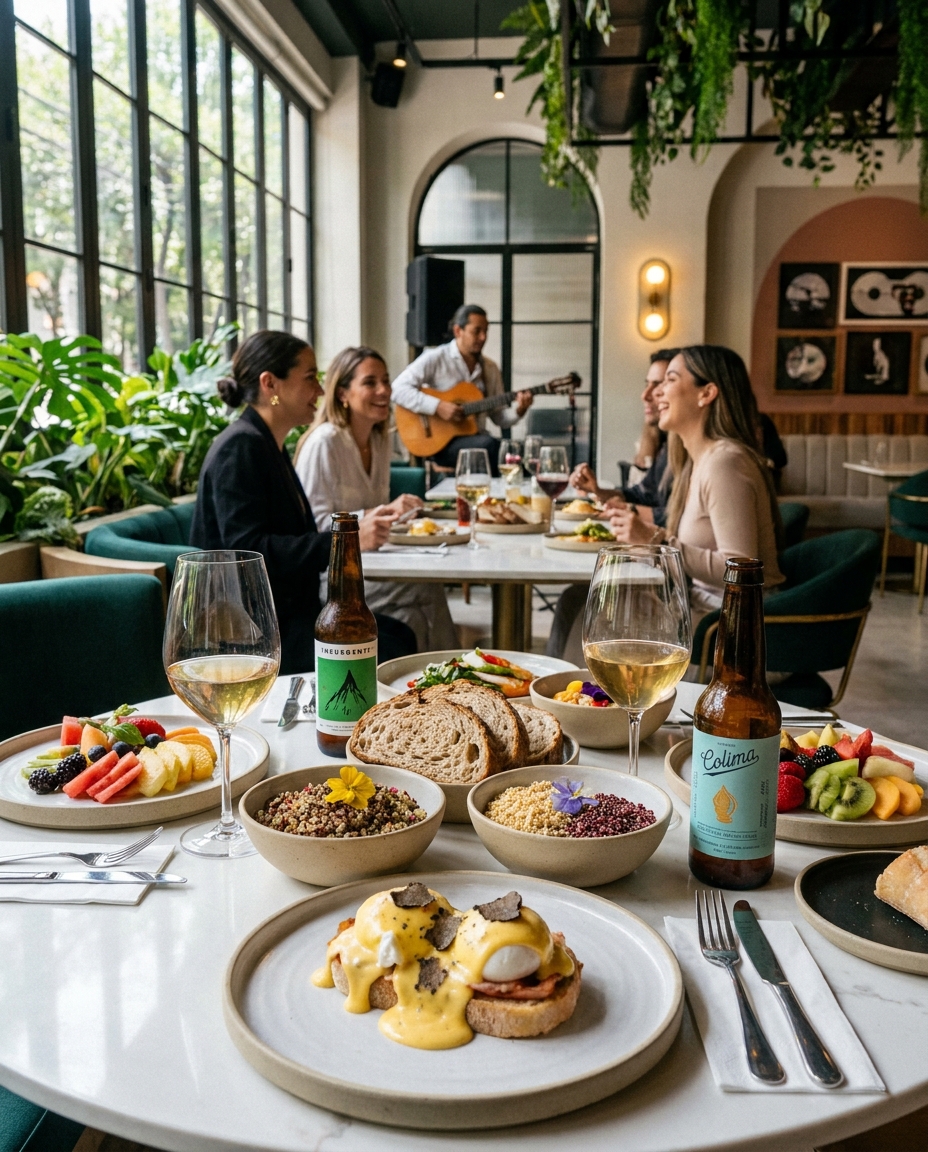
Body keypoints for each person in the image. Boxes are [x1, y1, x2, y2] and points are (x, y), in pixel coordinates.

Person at [190, 330, 416, 674]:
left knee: (400, 635)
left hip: (286, 614)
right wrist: (346, 542)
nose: (321, 391)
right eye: (310, 377)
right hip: (252, 633)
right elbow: (248, 552)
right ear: (271, 384)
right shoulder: (241, 448)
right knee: (393, 648)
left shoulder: (266, 444)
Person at [547, 345, 784, 664]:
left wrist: (654, 539)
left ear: (707, 393)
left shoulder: (725, 463)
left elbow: (738, 568)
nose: (656, 392)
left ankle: (585, 706)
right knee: (578, 599)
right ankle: (571, 702)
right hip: (696, 603)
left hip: (727, 628)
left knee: (593, 615)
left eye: (669, 380)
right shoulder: (696, 461)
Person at [293, 346, 458, 652]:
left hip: (371, 565)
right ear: (343, 393)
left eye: (386, 380)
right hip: (331, 581)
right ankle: (460, 680)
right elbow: (314, 528)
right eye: (370, 383)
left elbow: (375, 522)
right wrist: (376, 513)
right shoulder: (324, 443)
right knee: (427, 589)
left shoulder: (379, 440)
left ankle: (424, 688)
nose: (384, 390)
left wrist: (398, 514)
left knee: (413, 615)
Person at [390, 304, 534, 473]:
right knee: (491, 447)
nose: (482, 337)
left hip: (477, 440)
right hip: (439, 444)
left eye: (486, 331)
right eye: (477, 331)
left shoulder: (490, 368)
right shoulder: (435, 358)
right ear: (458, 331)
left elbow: (499, 418)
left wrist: (520, 410)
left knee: (518, 451)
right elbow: (397, 389)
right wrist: (438, 406)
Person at [568, 348, 679, 527]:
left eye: (660, 384)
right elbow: (643, 495)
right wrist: (598, 491)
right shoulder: (669, 446)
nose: (646, 395)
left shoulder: (710, 455)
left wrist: (629, 510)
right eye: (647, 384)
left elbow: (682, 520)